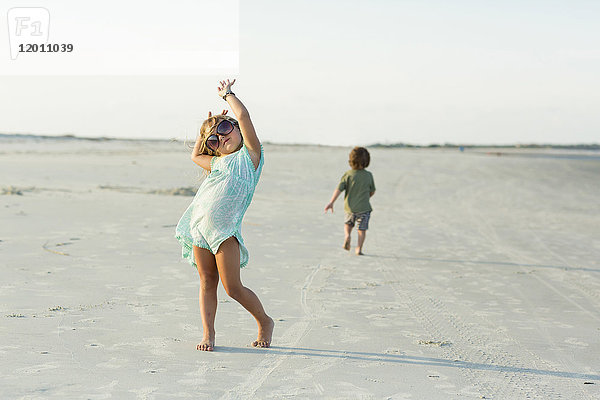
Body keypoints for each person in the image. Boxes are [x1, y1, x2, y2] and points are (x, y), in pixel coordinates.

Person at [175, 79, 274, 351]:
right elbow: (196, 155)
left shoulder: (250, 157)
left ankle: (264, 321)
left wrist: (227, 95)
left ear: (237, 128)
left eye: (225, 127)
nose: (222, 136)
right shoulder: (217, 161)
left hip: (225, 232)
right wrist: (203, 133)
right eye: (215, 139)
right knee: (207, 281)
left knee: (232, 288)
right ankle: (208, 334)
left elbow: (244, 115)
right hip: (199, 228)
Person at [324, 147, 376, 255]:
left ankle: (347, 235)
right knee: (362, 229)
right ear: (367, 161)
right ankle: (359, 249)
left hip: (350, 208)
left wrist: (331, 202)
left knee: (348, 224)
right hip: (364, 208)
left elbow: (339, 189)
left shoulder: (348, 175)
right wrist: (366, 197)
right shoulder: (368, 175)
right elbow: (372, 191)